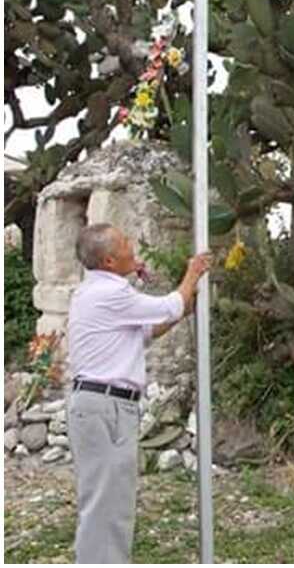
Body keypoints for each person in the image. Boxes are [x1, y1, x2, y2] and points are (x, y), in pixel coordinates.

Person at [67, 224, 210, 563]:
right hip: (106, 408)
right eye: (125, 243)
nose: (133, 245)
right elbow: (169, 306)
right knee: (107, 506)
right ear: (109, 261)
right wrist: (193, 272)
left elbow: (146, 331)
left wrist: (184, 304)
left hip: (101, 406)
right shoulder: (111, 294)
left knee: (110, 503)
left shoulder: (96, 292)